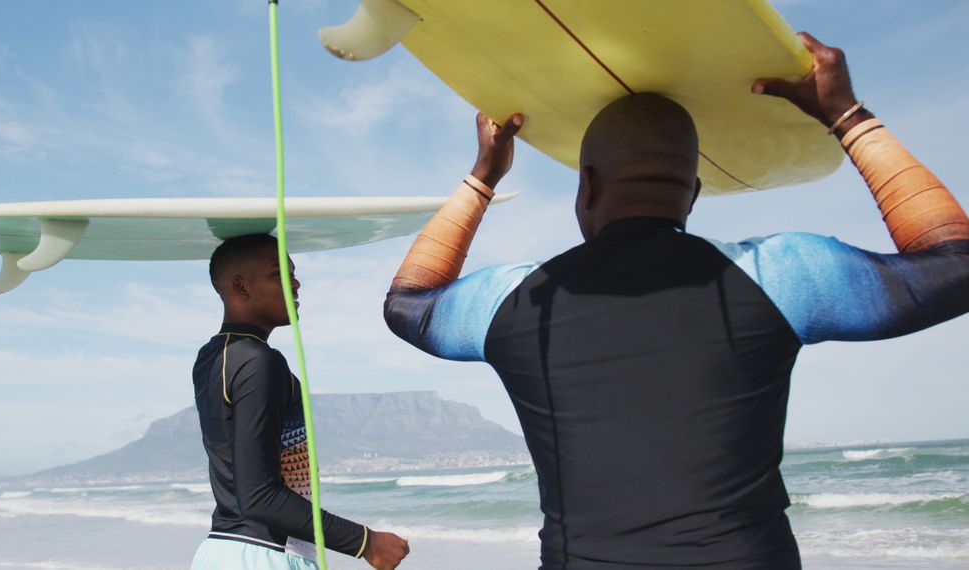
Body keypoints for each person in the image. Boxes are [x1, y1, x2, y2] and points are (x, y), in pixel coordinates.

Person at [383, 33, 969, 569]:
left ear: (587, 183)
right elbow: (955, 265)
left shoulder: (512, 301)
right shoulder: (778, 274)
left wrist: (482, 176)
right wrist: (847, 116)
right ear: (691, 192)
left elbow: (408, 303)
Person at [192, 233, 409, 570]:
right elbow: (259, 496)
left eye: (293, 273)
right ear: (241, 287)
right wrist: (365, 542)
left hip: (221, 552)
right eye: (279, 274)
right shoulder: (259, 361)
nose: (296, 284)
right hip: (264, 556)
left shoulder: (211, 356)